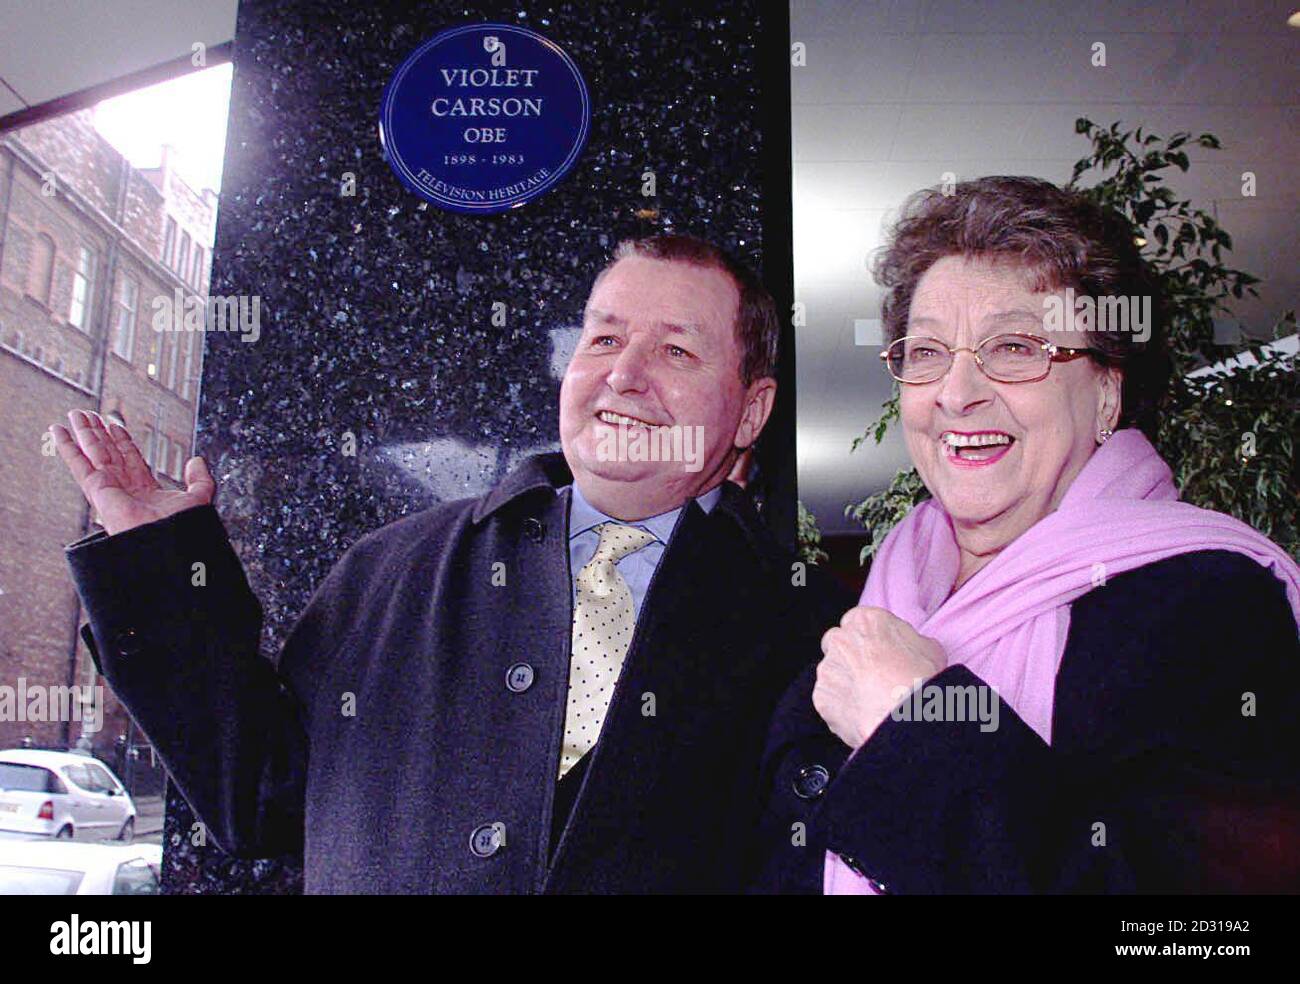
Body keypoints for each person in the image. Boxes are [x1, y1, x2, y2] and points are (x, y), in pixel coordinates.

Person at [54, 233, 851, 894]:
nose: (623, 373)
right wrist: (157, 563)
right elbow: (259, 796)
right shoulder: (394, 571)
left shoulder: (809, 632)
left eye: (676, 349)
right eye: (603, 338)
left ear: (752, 409)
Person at [759, 176, 1300, 894]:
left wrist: (917, 731)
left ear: (1107, 390)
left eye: (1013, 347)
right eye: (925, 353)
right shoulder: (875, 597)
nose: (956, 393)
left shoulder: (1214, 606)